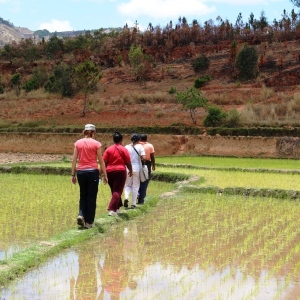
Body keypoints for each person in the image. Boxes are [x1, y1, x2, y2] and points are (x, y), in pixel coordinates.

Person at [71, 124, 108, 229]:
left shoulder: (78, 143)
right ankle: (89, 222)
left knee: (83, 195)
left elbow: (74, 160)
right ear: (93, 132)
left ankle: (81, 214)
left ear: (85, 131)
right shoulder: (96, 144)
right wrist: (105, 175)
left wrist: (73, 174)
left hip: (81, 172)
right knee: (91, 197)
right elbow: (101, 161)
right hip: (92, 172)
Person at [103, 132, 133, 217]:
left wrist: (101, 172)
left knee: (114, 190)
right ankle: (112, 209)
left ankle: (117, 207)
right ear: (121, 140)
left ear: (113, 139)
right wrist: (130, 170)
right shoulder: (124, 149)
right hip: (120, 171)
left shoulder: (108, 149)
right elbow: (128, 162)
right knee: (117, 191)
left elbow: (104, 162)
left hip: (109, 172)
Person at [124, 133, 146, 209]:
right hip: (137, 168)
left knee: (127, 185)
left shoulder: (126, 147)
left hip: (127, 168)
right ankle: (133, 204)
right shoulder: (140, 146)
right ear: (139, 140)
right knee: (135, 186)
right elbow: (144, 157)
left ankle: (126, 197)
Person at [138, 134, 155, 204]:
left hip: (138, 163)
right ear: (146, 139)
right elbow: (152, 156)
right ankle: (142, 197)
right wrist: (153, 165)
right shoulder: (150, 146)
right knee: (145, 180)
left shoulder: (137, 145)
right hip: (147, 164)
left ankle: (138, 193)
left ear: (140, 139)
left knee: (138, 179)